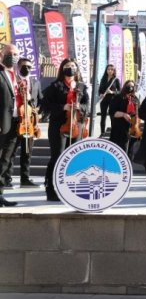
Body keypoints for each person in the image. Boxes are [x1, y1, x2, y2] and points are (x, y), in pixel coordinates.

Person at [41, 58, 90, 201]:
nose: (70, 68)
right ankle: (51, 189)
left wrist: (79, 107)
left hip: (77, 125)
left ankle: (71, 189)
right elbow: (45, 105)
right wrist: (63, 107)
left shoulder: (81, 87)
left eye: (73, 66)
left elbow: (87, 106)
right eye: (67, 66)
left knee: (75, 157)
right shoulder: (55, 86)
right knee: (57, 156)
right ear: (62, 69)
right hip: (59, 125)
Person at [5, 57, 43, 188]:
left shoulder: (35, 82)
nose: (26, 68)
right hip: (16, 121)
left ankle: (25, 178)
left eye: (29, 66)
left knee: (27, 152)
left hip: (29, 122)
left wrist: (39, 111)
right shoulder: (13, 80)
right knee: (11, 152)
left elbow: (40, 99)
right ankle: (7, 178)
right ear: (18, 66)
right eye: (23, 66)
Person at [0, 44, 21, 206]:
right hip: (2, 123)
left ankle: (0, 194)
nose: (12, 56)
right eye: (9, 53)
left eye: (15, 54)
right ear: (2, 54)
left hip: (15, 124)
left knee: (5, 161)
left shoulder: (18, 77)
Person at [108, 79, 138, 153]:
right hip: (118, 128)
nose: (130, 87)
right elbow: (112, 112)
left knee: (128, 152)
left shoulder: (135, 99)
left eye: (132, 86)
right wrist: (123, 114)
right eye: (128, 85)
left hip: (131, 128)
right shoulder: (118, 97)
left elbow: (138, 113)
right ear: (125, 86)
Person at [97, 64, 120, 135]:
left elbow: (120, 91)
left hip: (112, 100)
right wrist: (100, 93)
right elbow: (100, 90)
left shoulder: (116, 79)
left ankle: (113, 133)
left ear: (114, 71)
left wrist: (112, 92)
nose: (110, 71)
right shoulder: (103, 78)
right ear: (106, 70)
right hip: (104, 99)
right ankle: (102, 132)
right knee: (103, 116)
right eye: (108, 69)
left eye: (112, 69)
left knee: (112, 116)